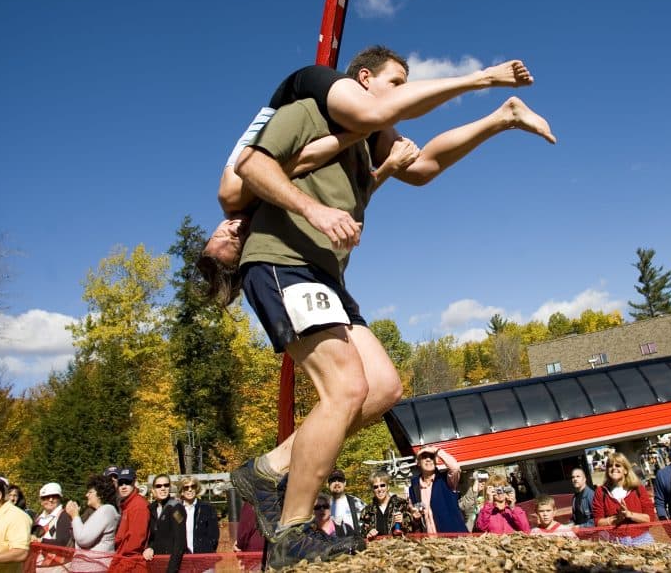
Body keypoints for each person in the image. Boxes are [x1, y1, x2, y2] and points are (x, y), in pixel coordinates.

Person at [227, 46, 552, 567]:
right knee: (345, 387)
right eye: (396, 82)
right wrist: (312, 208)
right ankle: (291, 531)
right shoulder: (308, 109)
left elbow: (424, 166)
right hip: (281, 262)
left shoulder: (364, 145)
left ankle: (266, 470)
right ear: (362, 79)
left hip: (325, 276)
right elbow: (250, 166)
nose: (402, 93)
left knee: (381, 388)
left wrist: (499, 120)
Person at [202, 48, 549, 265]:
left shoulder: (232, 194)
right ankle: (505, 116)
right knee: (419, 171)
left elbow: (298, 160)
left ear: (364, 78)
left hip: (308, 88)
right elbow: (356, 187)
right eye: (240, 241)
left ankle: (483, 76)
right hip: (345, 124)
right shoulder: (267, 214)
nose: (237, 230)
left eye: (223, 235)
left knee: (373, 115)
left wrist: (360, 132)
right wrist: (388, 167)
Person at [592, 453, 655, 545]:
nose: (614, 468)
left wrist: (629, 514)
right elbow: (598, 522)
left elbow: (649, 519)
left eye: (618, 465)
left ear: (625, 470)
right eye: (610, 466)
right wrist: (617, 519)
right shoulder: (601, 492)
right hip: (615, 542)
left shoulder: (638, 488)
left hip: (642, 540)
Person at [408, 446, 468, 534]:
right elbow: (417, 511)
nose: (428, 459)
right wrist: (415, 517)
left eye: (431, 457)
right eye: (424, 457)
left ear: (435, 461)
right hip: (431, 542)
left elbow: (455, 468)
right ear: (418, 462)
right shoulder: (413, 487)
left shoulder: (446, 480)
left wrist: (437, 451)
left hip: (454, 538)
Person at [66, 474, 119, 573]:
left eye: (90, 492)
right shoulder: (98, 512)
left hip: (95, 567)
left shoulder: (106, 510)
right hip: (86, 567)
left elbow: (83, 539)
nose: (87, 495)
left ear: (100, 494)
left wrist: (75, 516)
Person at [142, 473, 185, 573]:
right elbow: (154, 537)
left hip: (172, 565)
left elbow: (180, 541)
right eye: (158, 486)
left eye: (166, 485)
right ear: (153, 490)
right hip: (156, 563)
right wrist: (150, 548)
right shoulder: (151, 509)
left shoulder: (175, 508)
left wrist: (172, 570)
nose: (163, 488)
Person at [112, 468, 151, 571]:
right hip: (124, 560)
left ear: (134, 483)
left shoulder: (138, 505)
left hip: (132, 565)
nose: (124, 486)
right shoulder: (127, 505)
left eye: (127, 482)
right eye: (121, 483)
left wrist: (122, 567)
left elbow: (135, 543)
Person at [360, 470, 411, 540]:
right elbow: (362, 533)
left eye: (382, 485)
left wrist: (403, 522)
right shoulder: (367, 511)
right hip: (377, 548)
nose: (379, 489)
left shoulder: (401, 504)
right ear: (372, 489)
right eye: (376, 487)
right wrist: (368, 533)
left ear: (388, 487)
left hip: (400, 547)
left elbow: (414, 527)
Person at [32, 482, 72, 570]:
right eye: (46, 497)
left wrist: (40, 541)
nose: (50, 499)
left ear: (59, 498)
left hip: (57, 566)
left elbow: (63, 542)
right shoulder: (39, 518)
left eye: (54, 496)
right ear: (41, 500)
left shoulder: (63, 515)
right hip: (39, 565)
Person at [177, 478, 218, 554]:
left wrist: (208, 551)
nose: (190, 489)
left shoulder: (207, 508)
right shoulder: (176, 510)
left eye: (193, 486)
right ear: (182, 491)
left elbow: (214, 535)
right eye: (186, 487)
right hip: (182, 556)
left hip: (202, 555)